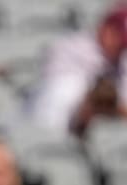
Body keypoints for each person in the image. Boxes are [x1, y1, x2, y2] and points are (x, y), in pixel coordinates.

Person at [21, 2, 127, 136]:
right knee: (70, 87)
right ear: (105, 28)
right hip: (47, 112)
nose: (117, 44)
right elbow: (57, 88)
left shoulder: (119, 59)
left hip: (84, 122)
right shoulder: (71, 45)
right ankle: (46, 138)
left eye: (122, 43)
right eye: (115, 35)